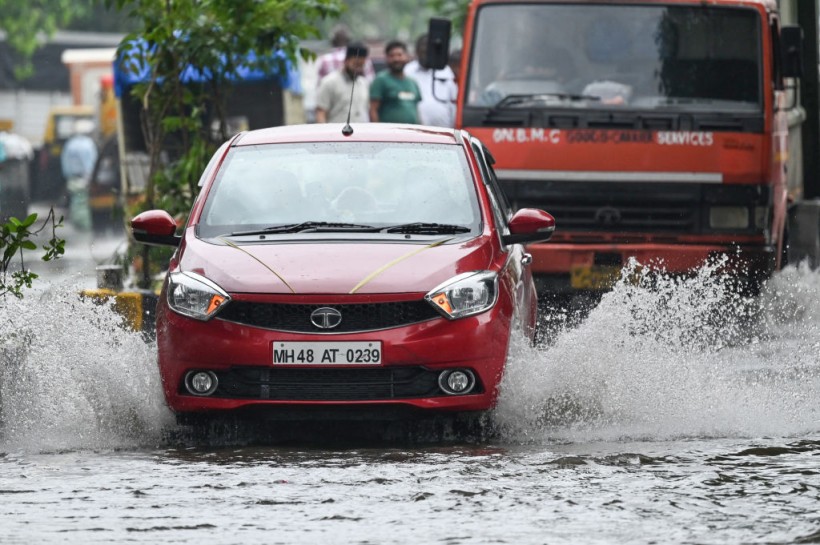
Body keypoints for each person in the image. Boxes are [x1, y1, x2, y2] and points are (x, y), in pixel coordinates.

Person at [404, 34, 458, 127]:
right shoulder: (408, 71)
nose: (426, 54)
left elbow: (453, 100)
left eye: (429, 51)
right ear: (417, 51)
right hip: (415, 128)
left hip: (444, 129)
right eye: (423, 51)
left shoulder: (445, 70)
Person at [315, 42, 370, 124]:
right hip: (336, 134)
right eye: (356, 64)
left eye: (361, 66)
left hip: (360, 134)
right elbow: (321, 113)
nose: (358, 69)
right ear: (346, 61)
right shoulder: (329, 82)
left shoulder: (363, 83)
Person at [369, 41, 422, 124]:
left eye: (399, 55)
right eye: (392, 56)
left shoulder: (413, 82)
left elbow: (416, 110)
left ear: (406, 57)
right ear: (386, 58)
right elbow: (373, 110)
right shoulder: (381, 80)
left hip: (411, 134)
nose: (396, 59)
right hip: (389, 134)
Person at [60, 119, 98, 230]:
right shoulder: (88, 144)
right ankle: (84, 227)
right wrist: (90, 177)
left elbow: (65, 163)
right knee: (83, 203)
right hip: (83, 178)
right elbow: (90, 163)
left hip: (72, 178)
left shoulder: (69, 144)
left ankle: (76, 225)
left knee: (74, 202)